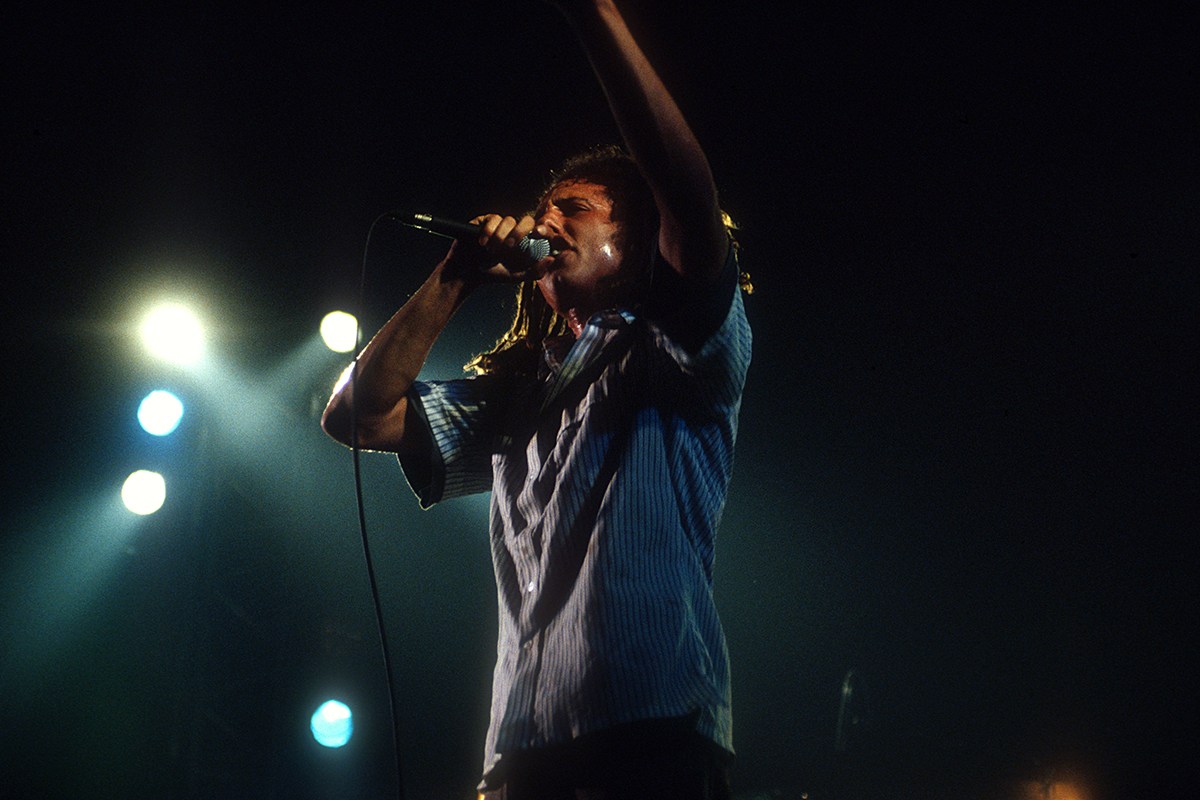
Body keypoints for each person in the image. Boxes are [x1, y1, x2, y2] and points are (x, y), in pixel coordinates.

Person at [321, 1, 752, 797]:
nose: (547, 223)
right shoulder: (522, 397)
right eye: (545, 211)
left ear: (637, 234)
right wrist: (454, 276)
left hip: (649, 731)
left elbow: (687, 198)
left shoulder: (675, 348)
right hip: (523, 750)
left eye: (574, 209)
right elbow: (357, 416)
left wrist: (593, 14)